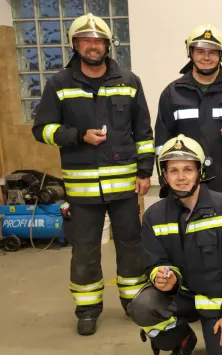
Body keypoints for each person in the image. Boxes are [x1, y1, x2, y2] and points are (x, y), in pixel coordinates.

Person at [32, 13, 153, 335]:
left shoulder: (128, 81)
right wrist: (77, 136)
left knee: (130, 244)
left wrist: (145, 172)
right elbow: (41, 130)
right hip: (83, 188)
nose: (93, 46)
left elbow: (143, 131)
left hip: (126, 185)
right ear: (75, 45)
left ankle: (133, 300)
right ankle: (87, 308)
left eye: (98, 41)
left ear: (107, 45)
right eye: (86, 40)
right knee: (85, 249)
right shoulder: (59, 83)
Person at [129, 135, 222, 355]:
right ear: (163, 175)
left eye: (188, 168)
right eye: (173, 170)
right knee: (142, 305)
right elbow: (153, 261)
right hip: (181, 298)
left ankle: (220, 333)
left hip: (219, 304)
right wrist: (164, 277)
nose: (181, 176)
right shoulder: (155, 215)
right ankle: (182, 340)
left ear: (201, 170)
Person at [155, 24, 222, 219]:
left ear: (221, 55)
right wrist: (165, 181)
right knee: (187, 242)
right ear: (190, 53)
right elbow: (162, 143)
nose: (206, 57)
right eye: (200, 52)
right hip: (185, 186)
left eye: (212, 52)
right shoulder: (173, 93)